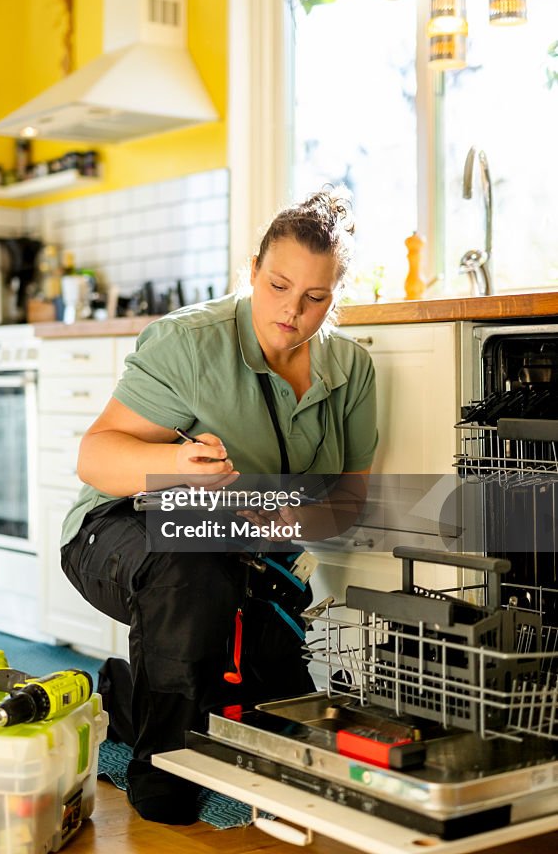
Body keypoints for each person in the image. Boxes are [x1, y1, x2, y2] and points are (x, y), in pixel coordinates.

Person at [60, 189, 378, 824]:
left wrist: (280, 514)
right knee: (192, 572)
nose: (292, 311)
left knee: (263, 714)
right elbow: (95, 457)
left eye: (315, 297)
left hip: (246, 553)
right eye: (278, 285)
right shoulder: (189, 342)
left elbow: (347, 503)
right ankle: (164, 775)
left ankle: (120, 696)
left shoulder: (352, 370)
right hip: (117, 533)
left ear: (337, 294)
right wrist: (177, 466)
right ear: (252, 268)